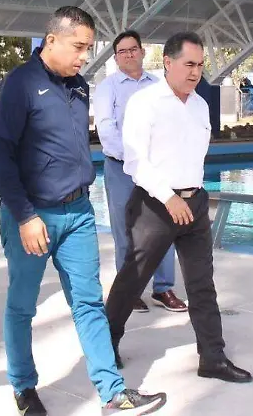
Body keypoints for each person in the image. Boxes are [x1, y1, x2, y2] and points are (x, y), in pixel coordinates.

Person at [0, 6, 167, 416]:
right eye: (79, 47)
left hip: (79, 212)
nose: (85, 56)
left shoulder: (79, 86)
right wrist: (24, 216)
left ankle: (112, 392)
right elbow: (0, 156)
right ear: (52, 40)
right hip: (33, 216)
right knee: (22, 305)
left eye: (89, 48)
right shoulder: (20, 84)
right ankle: (23, 387)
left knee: (88, 303)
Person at [106, 32, 251, 383]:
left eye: (200, 65)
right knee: (132, 280)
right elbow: (135, 161)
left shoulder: (200, 105)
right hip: (155, 205)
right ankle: (105, 345)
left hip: (194, 204)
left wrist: (190, 196)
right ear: (168, 63)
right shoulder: (145, 103)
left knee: (202, 283)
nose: (195, 72)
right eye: (189, 64)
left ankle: (213, 358)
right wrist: (168, 197)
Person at [92, 31, 186, 314]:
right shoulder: (107, 88)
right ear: (116, 57)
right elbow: (106, 129)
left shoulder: (159, 85)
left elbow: (171, 125)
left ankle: (163, 288)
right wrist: (134, 160)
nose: (129, 54)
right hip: (121, 168)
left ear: (143, 52)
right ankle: (129, 290)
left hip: (157, 169)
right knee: (125, 229)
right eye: (122, 51)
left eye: (133, 49)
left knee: (164, 226)